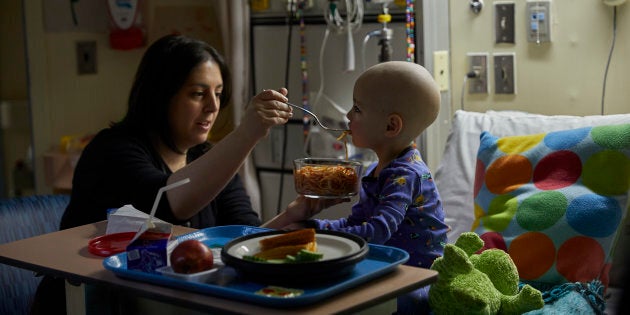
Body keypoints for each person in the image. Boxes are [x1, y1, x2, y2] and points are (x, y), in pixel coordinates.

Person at [31, 34, 319, 314]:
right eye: (198, 93)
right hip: (87, 303)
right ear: (160, 95)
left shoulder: (211, 159)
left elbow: (244, 240)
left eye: (218, 94)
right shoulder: (112, 151)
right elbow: (171, 204)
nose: (213, 106)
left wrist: (292, 215)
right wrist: (247, 133)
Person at [275, 61, 449, 314]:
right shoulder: (377, 171)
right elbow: (357, 223)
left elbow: (377, 231)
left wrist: (326, 237)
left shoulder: (405, 175)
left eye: (357, 109)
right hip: (390, 267)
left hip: (418, 278)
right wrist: (313, 228)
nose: (347, 116)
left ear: (391, 126)